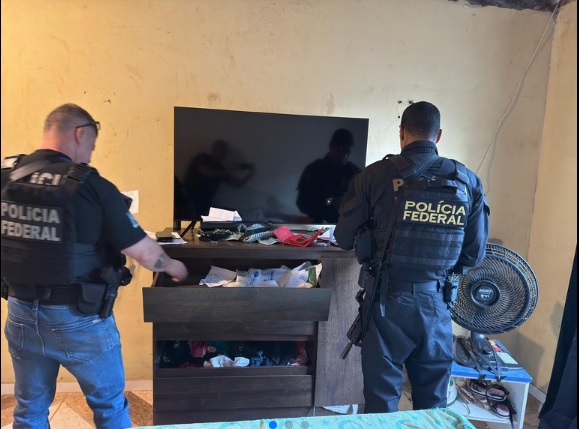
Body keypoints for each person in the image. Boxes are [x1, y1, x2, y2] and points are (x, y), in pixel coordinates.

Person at [1, 103, 189, 429]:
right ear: (80, 133)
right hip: (79, 319)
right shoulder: (91, 186)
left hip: (20, 312)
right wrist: (174, 267)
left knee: (29, 408)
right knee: (109, 406)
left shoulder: (7, 176)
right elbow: (145, 254)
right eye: (91, 144)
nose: (89, 154)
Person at [334, 101, 489, 413]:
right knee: (432, 408)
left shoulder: (372, 176)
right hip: (436, 306)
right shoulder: (467, 181)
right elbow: (473, 255)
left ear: (401, 132)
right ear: (438, 135)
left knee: (381, 406)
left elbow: (343, 239)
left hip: (385, 305)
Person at [296, 128, 361, 223]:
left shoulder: (353, 171)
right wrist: (330, 202)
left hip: (346, 226)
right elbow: (302, 203)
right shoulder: (314, 169)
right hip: (317, 225)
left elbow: (363, 202)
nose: (344, 156)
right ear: (332, 147)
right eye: (340, 150)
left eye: (347, 152)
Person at [182, 139, 255, 219]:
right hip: (188, 202)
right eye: (222, 152)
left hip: (204, 206)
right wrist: (230, 169)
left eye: (225, 153)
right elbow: (207, 172)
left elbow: (236, 183)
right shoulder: (202, 157)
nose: (224, 155)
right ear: (214, 150)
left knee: (234, 216)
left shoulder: (220, 168)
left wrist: (250, 175)